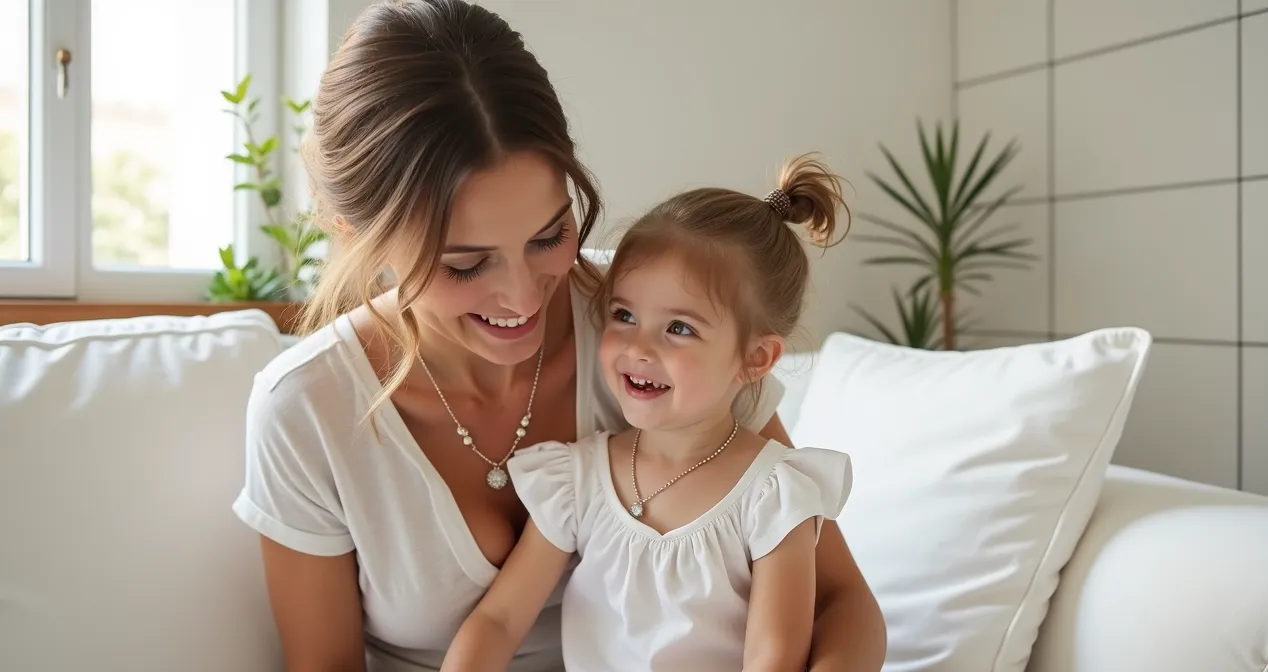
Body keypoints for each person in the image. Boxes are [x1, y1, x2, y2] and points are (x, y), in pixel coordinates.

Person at [231, 1, 885, 670]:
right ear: (351, 229)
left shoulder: (652, 325)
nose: (522, 298)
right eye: (464, 262)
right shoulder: (306, 408)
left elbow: (842, 602)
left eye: (549, 236)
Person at [439, 155, 855, 672]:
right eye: (624, 315)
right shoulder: (577, 479)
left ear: (754, 359)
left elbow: (773, 657)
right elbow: (498, 622)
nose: (638, 347)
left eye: (679, 328)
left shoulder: (774, 494)